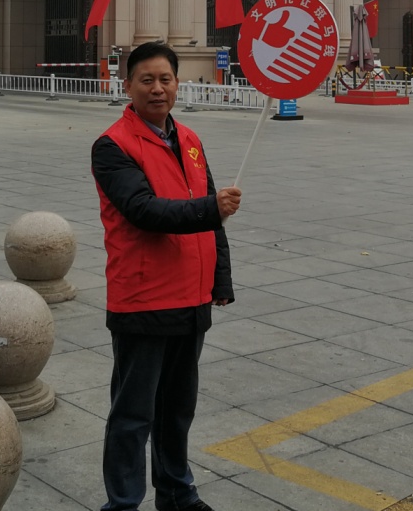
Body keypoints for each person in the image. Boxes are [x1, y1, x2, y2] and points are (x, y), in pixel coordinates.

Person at [91, 41, 241, 511]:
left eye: (165, 79)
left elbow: (213, 219)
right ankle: (122, 503)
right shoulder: (112, 146)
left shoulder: (190, 140)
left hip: (191, 298)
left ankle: (177, 494)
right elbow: (143, 210)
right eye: (146, 80)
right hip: (144, 299)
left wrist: (220, 280)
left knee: (177, 410)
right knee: (133, 415)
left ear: (178, 83)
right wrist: (210, 208)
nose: (157, 89)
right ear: (127, 85)